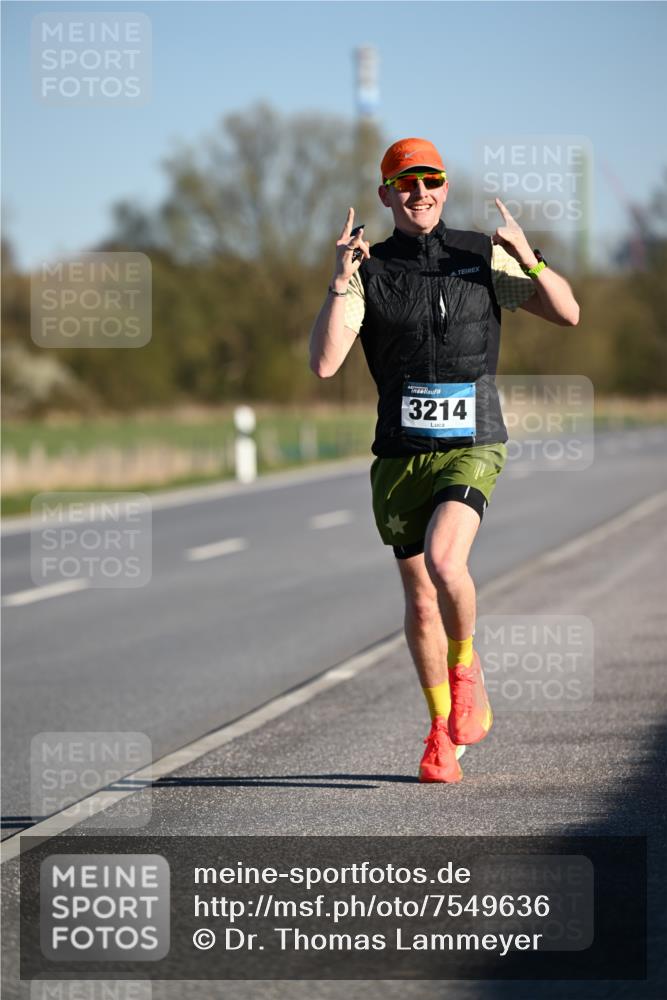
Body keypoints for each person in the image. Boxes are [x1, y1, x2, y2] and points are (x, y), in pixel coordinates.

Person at [309, 137, 579, 783]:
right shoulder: (369, 272)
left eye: (429, 181)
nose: (419, 193)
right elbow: (323, 364)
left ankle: (465, 670)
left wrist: (527, 258)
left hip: (472, 443)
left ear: (445, 187)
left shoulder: (478, 257)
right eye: (405, 184)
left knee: (443, 561)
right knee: (420, 601)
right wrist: (340, 281)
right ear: (385, 195)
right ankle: (439, 731)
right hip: (400, 456)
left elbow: (567, 313)